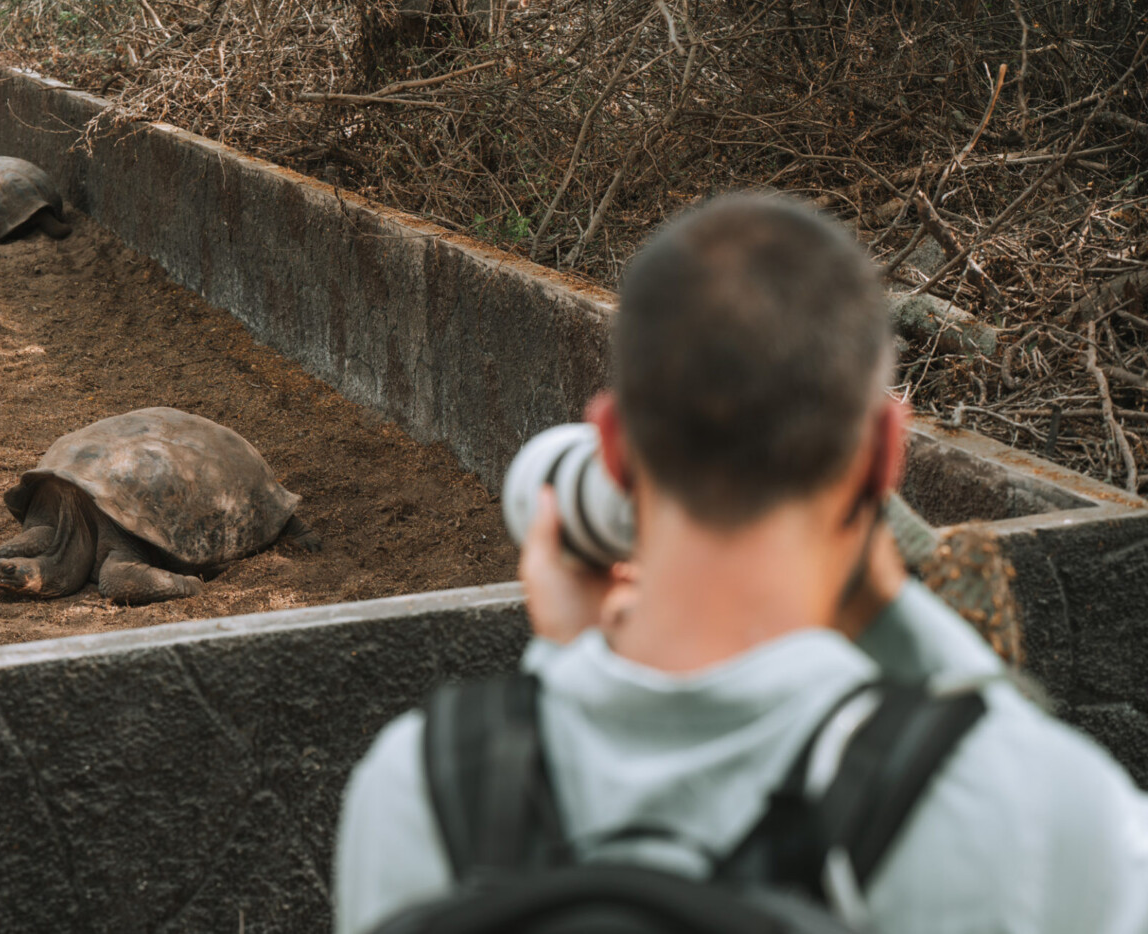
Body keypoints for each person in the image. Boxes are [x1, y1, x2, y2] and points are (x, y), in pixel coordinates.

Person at [334, 195, 1148, 933]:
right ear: (884, 455)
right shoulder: (1044, 813)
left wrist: (566, 656)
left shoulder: (420, 793)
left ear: (614, 449)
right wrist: (902, 611)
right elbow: (1018, 761)